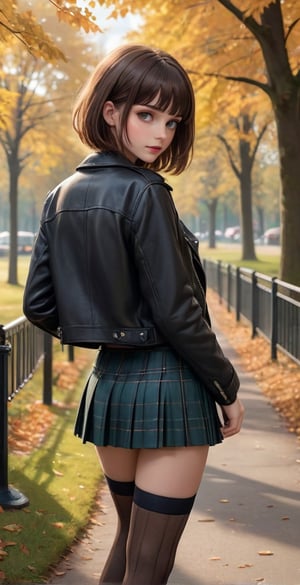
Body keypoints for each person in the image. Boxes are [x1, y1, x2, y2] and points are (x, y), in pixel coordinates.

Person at [23, 44, 244, 585]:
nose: (162, 133)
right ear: (109, 110)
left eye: (172, 120)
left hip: (111, 386)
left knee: (127, 543)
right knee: (147, 566)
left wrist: (106, 331)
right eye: (147, 114)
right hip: (171, 388)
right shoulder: (146, 192)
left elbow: (39, 306)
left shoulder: (60, 194)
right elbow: (179, 311)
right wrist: (228, 387)